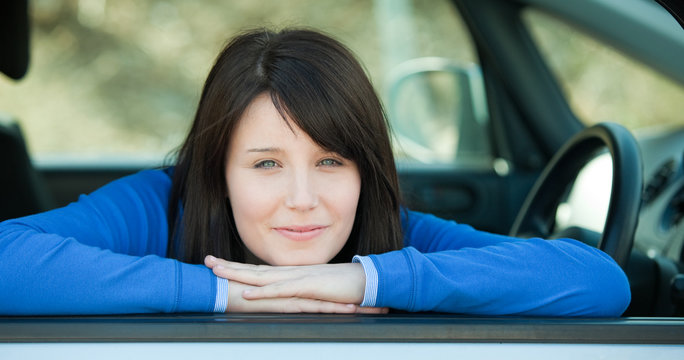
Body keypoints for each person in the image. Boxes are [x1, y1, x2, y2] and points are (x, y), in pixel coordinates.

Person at [0, 28, 630, 316]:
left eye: (331, 161)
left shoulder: (397, 235)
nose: (304, 199)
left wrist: (361, 283)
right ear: (218, 173)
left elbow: (600, 282)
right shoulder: (159, 208)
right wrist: (235, 296)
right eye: (267, 164)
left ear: (366, 172)